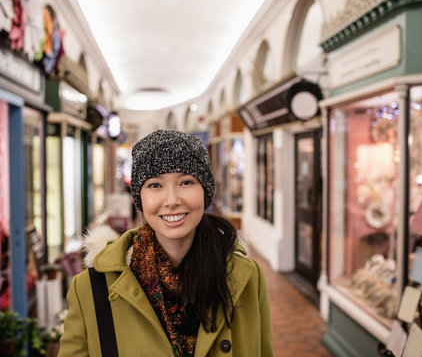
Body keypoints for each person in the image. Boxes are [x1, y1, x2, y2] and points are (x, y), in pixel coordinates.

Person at [58, 129, 273, 356]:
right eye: (155, 185)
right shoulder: (92, 288)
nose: (172, 201)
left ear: (205, 192)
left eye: (186, 182)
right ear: (139, 197)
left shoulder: (246, 277)